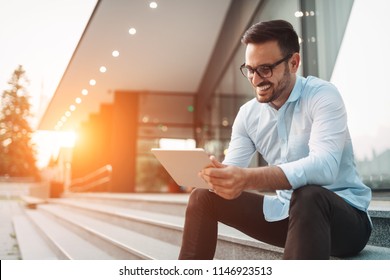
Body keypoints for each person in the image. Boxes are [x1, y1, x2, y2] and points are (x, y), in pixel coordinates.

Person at [178, 19, 372, 260]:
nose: (256, 79)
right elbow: (233, 172)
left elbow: (325, 167)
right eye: (250, 69)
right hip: (287, 215)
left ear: (293, 63)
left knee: (308, 194)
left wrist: (247, 178)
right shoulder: (248, 114)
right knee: (202, 197)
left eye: (265, 69)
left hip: (345, 221)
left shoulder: (322, 95)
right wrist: (216, 176)